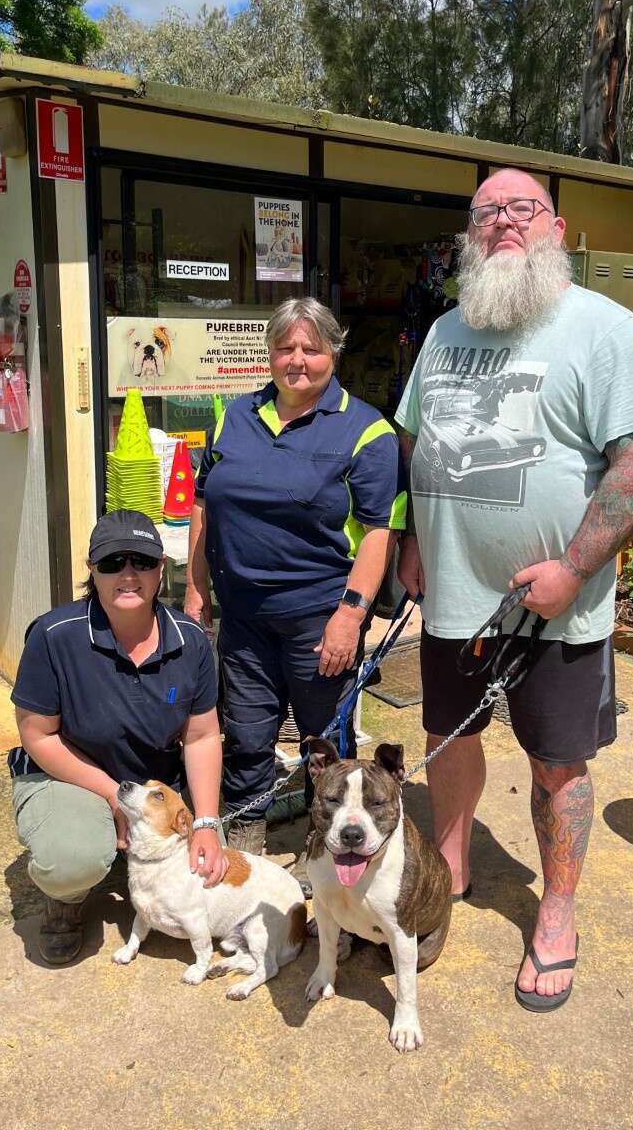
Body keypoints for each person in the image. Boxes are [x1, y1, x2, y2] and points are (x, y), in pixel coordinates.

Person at [395, 168, 633, 1012]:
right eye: (487, 213)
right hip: (452, 596)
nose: (504, 223)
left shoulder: (603, 328)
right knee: (447, 735)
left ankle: (557, 911)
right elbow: (415, 442)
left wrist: (575, 568)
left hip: (556, 607)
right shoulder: (444, 332)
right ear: (470, 237)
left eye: (522, 209)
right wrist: (411, 539)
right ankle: (450, 859)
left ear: (557, 227)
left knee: (557, 763)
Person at [184, 296, 406, 868]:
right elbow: (204, 507)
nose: (297, 360)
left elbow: (380, 532)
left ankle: (329, 853)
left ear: (334, 351)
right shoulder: (233, 415)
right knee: (248, 736)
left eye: (311, 347)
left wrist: (351, 616)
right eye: (285, 347)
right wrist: (195, 588)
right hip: (243, 616)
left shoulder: (367, 430)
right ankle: (247, 847)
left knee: (325, 745)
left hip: (319, 618)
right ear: (270, 352)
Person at [8, 510, 226, 965]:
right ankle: (66, 899)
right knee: (74, 858)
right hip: (66, 773)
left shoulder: (191, 642)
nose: (128, 575)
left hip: (147, 786)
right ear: (92, 569)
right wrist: (112, 795)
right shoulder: (53, 636)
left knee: (207, 868)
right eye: (112, 563)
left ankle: (131, 845)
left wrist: (206, 823)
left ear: (161, 568)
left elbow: (203, 737)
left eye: (141, 561)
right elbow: (37, 735)